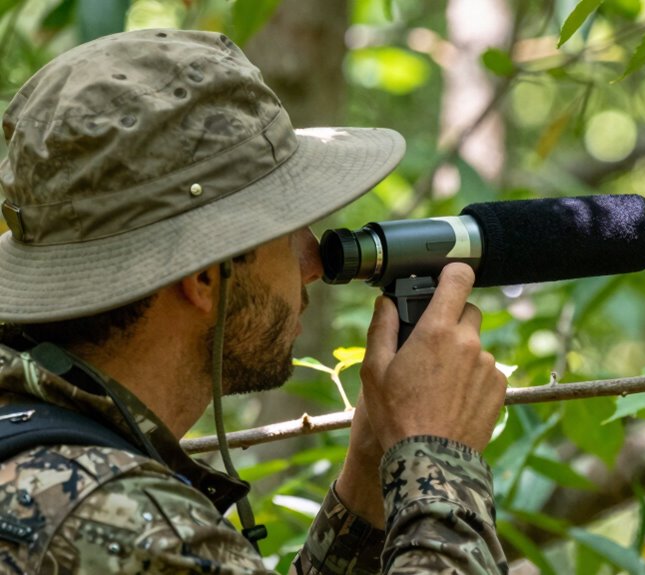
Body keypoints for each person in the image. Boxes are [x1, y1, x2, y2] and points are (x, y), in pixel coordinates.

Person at [0, 28, 509, 574]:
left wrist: (368, 489)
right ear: (203, 277)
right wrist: (438, 465)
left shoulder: (48, 461)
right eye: (287, 226)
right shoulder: (122, 520)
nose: (313, 262)